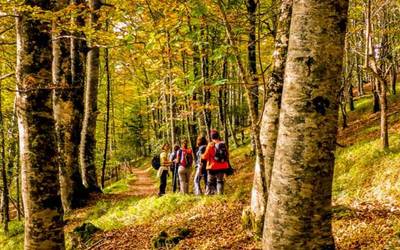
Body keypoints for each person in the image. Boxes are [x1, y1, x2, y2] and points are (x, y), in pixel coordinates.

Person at [202, 129, 229, 195]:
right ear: (218, 136)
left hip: (212, 167)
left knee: (209, 182)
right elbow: (227, 154)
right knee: (220, 181)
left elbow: (205, 156)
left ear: (211, 137)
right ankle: (220, 195)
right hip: (222, 166)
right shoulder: (223, 144)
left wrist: (201, 156)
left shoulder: (210, 145)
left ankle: (208, 195)